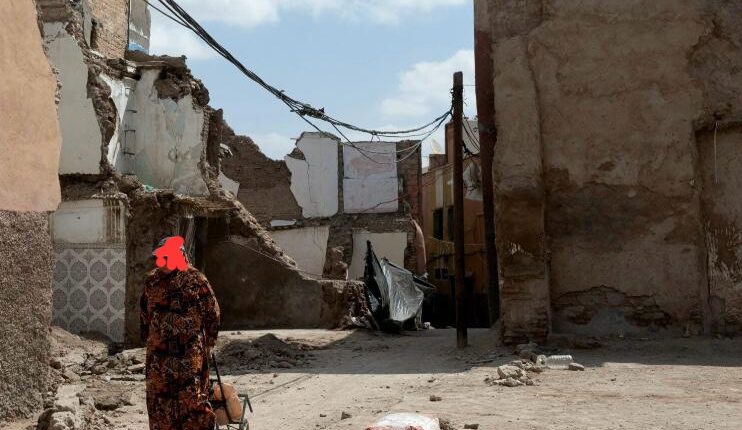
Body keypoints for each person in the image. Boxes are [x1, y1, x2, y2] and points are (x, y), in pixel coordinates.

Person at [140, 236, 220, 430]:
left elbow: (212, 311)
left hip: (189, 352)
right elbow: (144, 312)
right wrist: (148, 337)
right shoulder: (152, 281)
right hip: (159, 354)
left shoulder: (196, 279)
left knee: (191, 398)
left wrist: (209, 341)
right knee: (159, 399)